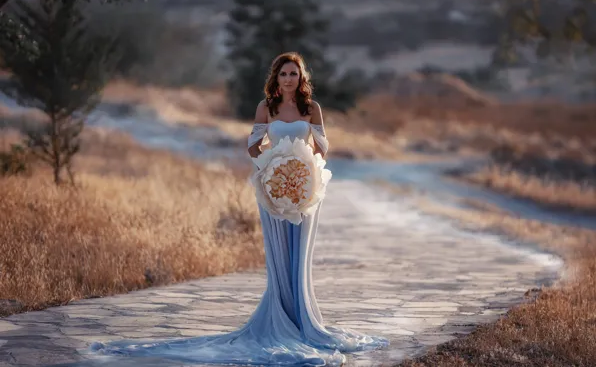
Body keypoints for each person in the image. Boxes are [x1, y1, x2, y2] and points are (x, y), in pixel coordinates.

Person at [90, 52, 389, 366]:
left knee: (300, 256)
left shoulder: (311, 108)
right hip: (273, 190)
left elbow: (323, 147)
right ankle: (280, 319)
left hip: (304, 189)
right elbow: (252, 146)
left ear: (301, 78)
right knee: (279, 255)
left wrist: (307, 154)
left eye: (294, 74)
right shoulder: (266, 107)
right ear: (276, 78)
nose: (289, 79)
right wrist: (271, 160)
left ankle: (304, 321)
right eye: (284, 74)